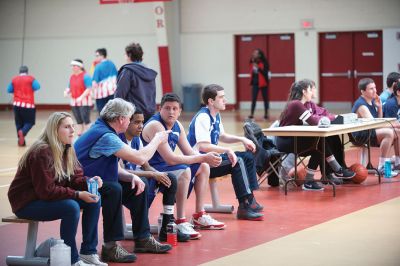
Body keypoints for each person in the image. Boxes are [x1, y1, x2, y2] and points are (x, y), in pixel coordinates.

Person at [74, 98, 172, 263]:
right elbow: (140, 158)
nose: (129, 121)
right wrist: (157, 139)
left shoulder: (106, 130)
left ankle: (142, 238)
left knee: (136, 185)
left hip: (96, 181)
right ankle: (110, 247)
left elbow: (114, 168)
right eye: (128, 118)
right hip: (82, 184)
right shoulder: (105, 135)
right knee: (114, 189)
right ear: (121, 119)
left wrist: (132, 176)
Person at [7, 112, 107, 266]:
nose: (73, 130)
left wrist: (88, 182)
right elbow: (46, 191)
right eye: (67, 127)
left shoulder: (67, 148)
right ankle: (72, 260)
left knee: (94, 199)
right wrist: (78, 194)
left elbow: (74, 179)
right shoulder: (41, 152)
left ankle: (88, 252)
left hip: (41, 197)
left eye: (73, 126)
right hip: (25, 202)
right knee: (71, 206)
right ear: (55, 131)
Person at [141, 93, 223, 239]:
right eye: (167, 108)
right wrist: (202, 156)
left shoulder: (177, 125)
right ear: (160, 109)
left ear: (180, 111)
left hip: (166, 167)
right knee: (185, 170)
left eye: (174, 109)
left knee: (203, 166)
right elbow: (171, 159)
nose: (171, 112)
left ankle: (199, 214)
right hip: (150, 168)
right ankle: (180, 220)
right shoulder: (156, 125)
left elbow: (190, 152)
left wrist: (208, 157)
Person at [187, 84, 264, 221]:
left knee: (247, 156)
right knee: (237, 161)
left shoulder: (216, 115)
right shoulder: (203, 117)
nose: (225, 100)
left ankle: (250, 199)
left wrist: (242, 139)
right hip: (199, 163)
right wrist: (227, 150)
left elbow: (222, 136)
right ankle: (244, 206)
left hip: (211, 158)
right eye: (221, 97)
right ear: (211, 101)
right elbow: (203, 146)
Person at [119, 109, 190, 242]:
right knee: (145, 181)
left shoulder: (136, 140)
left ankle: (166, 227)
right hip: (125, 182)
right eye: (136, 122)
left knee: (170, 178)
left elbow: (145, 165)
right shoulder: (119, 140)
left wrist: (159, 174)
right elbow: (122, 172)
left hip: (138, 179)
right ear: (127, 122)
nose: (141, 126)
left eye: (142, 122)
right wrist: (152, 174)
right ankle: (141, 231)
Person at [277, 79, 355, 191]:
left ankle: (311, 181)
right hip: (286, 141)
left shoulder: (304, 104)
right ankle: (338, 170)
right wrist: (329, 118)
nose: (312, 92)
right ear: (304, 91)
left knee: (320, 144)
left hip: (294, 139)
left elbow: (317, 117)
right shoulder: (296, 104)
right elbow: (313, 121)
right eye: (310, 89)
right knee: (319, 143)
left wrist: (327, 118)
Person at [352, 78, 400, 176]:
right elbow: (374, 125)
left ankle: (398, 163)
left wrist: (379, 107)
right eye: (371, 89)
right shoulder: (362, 106)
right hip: (360, 135)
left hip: (370, 132)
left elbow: (378, 120)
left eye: (375, 87)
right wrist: (392, 124)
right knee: (389, 132)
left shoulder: (372, 101)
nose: (375, 90)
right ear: (363, 91)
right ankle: (381, 167)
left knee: (397, 132)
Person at [115, 42, 157, 122]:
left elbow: (119, 95)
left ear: (129, 55)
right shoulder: (149, 72)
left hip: (133, 115)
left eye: (125, 54)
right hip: (149, 114)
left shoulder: (128, 71)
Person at [7, 65, 40, 146]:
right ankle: (23, 132)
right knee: (30, 122)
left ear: (19, 72)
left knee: (18, 123)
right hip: (28, 104)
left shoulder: (14, 79)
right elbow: (37, 86)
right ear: (27, 72)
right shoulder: (31, 78)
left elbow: (9, 90)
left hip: (16, 104)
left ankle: (20, 140)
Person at [64, 59, 93, 136]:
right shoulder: (72, 77)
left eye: (74, 66)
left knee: (86, 119)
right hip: (74, 102)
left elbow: (89, 88)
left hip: (84, 102)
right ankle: (80, 135)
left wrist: (81, 97)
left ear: (80, 67)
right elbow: (69, 87)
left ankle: (89, 136)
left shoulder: (86, 76)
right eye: (72, 66)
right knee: (78, 120)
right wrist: (66, 92)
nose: (72, 68)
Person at [92, 48, 118, 114]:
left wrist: (92, 93)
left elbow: (94, 82)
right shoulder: (112, 64)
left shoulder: (98, 66)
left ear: (102, 56)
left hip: (101, 93)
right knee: (112, 113)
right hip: (112, 91)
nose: (96, 58)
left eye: (97, 56)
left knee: (102, 113)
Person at [248, 49, 269, 120]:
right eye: (254, 53)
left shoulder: (264, 62)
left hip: (263, 83)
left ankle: (266, 114)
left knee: (265, 99)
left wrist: (258, 68)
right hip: (255, 83)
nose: (254, 54)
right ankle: (251, 114)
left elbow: (265, 73)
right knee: (253, 99)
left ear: (260, 55)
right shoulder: (252, 61)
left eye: (256, 53)